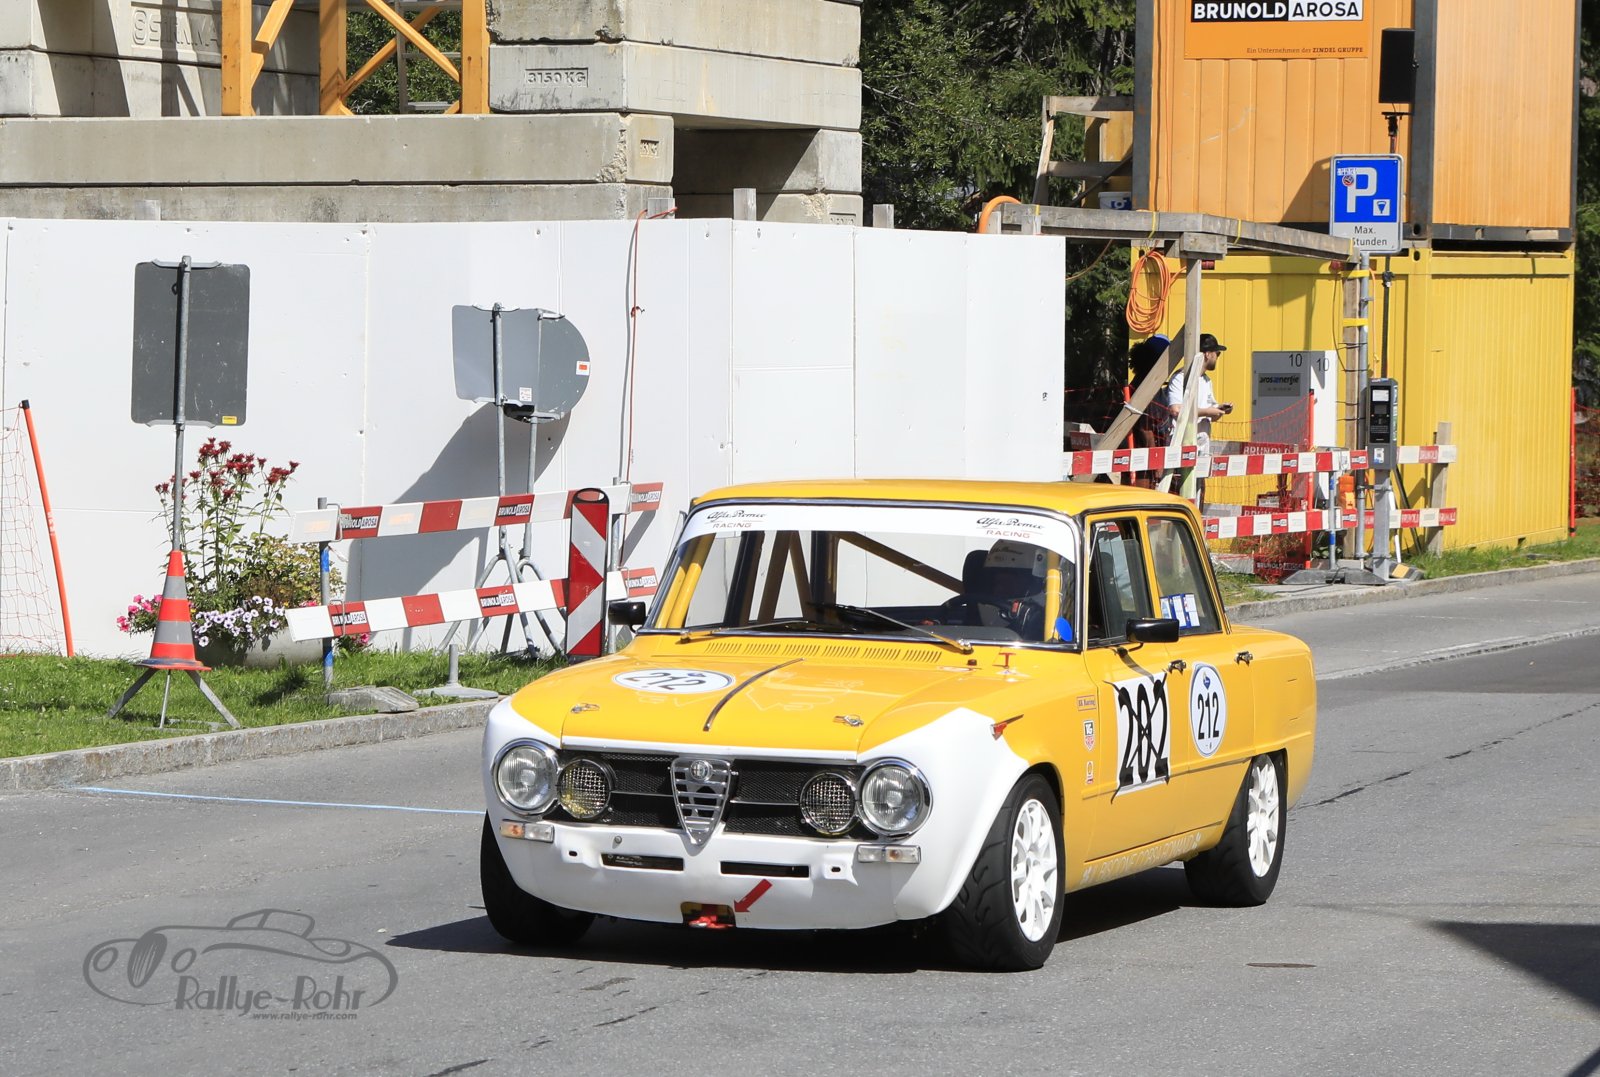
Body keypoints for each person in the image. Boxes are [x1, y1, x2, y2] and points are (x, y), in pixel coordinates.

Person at [1164, 332, 1234, 507]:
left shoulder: (1206, 381)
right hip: (1181, 448)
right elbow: (1176, 409)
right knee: (1178, 499)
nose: (1218, 357)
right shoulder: (1180, 378)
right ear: (1207, 354)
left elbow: (1210, 411)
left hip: (1201, 448)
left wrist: (1219, 410)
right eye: (1217, 353)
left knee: (1197, 498)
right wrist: (1208, 411)